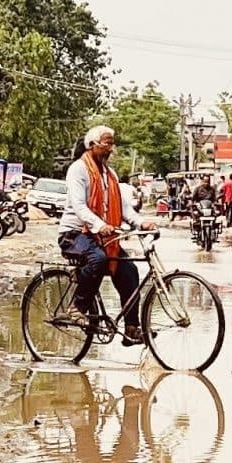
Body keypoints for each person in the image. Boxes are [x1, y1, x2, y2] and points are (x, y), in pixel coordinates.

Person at [62, 123, 142, 338]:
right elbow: (79, 206)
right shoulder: (78, 169)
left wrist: (141, 223)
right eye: (107, 144)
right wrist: (99, 225)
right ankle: (76, 308)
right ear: (92, 145)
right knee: (98, 259)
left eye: (112, 144)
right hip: (75, 234)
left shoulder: (110, 174)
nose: (111, 149)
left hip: (102, 236)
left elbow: (124, 207)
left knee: (130, 271)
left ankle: (132, 327)